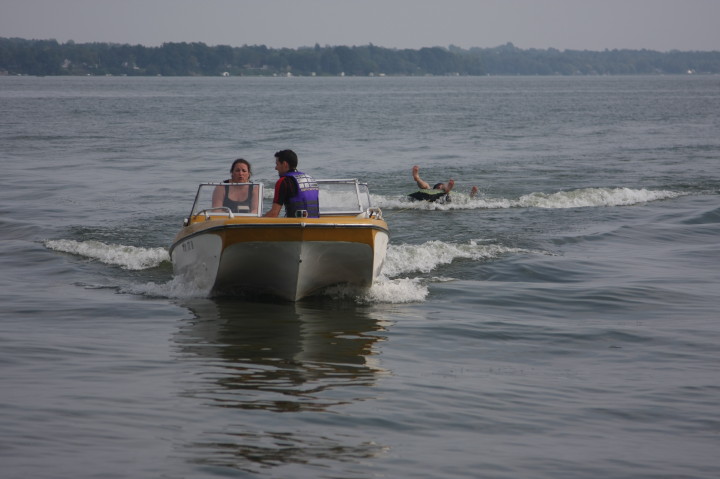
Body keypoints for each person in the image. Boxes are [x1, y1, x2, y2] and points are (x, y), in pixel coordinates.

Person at [264, 149, 320, 218]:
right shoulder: (311, 179)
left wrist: (258, 221)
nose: (276, 168)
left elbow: (273, 214)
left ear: (284, 164)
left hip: (296, 226)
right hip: (315, 225)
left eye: (277, 164)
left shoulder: (284, 181)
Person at [408, 165, 478, 202]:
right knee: (429, 187)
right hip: (441, 190)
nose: (439, 188)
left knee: (425, 186)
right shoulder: (438, 188)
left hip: (433, 190)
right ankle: (472, 194)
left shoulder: (431, 189)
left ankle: (417, 178)